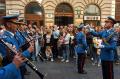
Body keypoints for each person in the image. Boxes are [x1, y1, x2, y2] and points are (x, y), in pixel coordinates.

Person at [0, 15, 34, 79]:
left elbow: (20, 49)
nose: (18, 25)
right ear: (8, 24)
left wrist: (28, 45)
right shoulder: (4, 39)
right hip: (11, 72)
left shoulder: (14, 36)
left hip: (18, 68)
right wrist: (28, 51)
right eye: (16, 23)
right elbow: (13, 59)